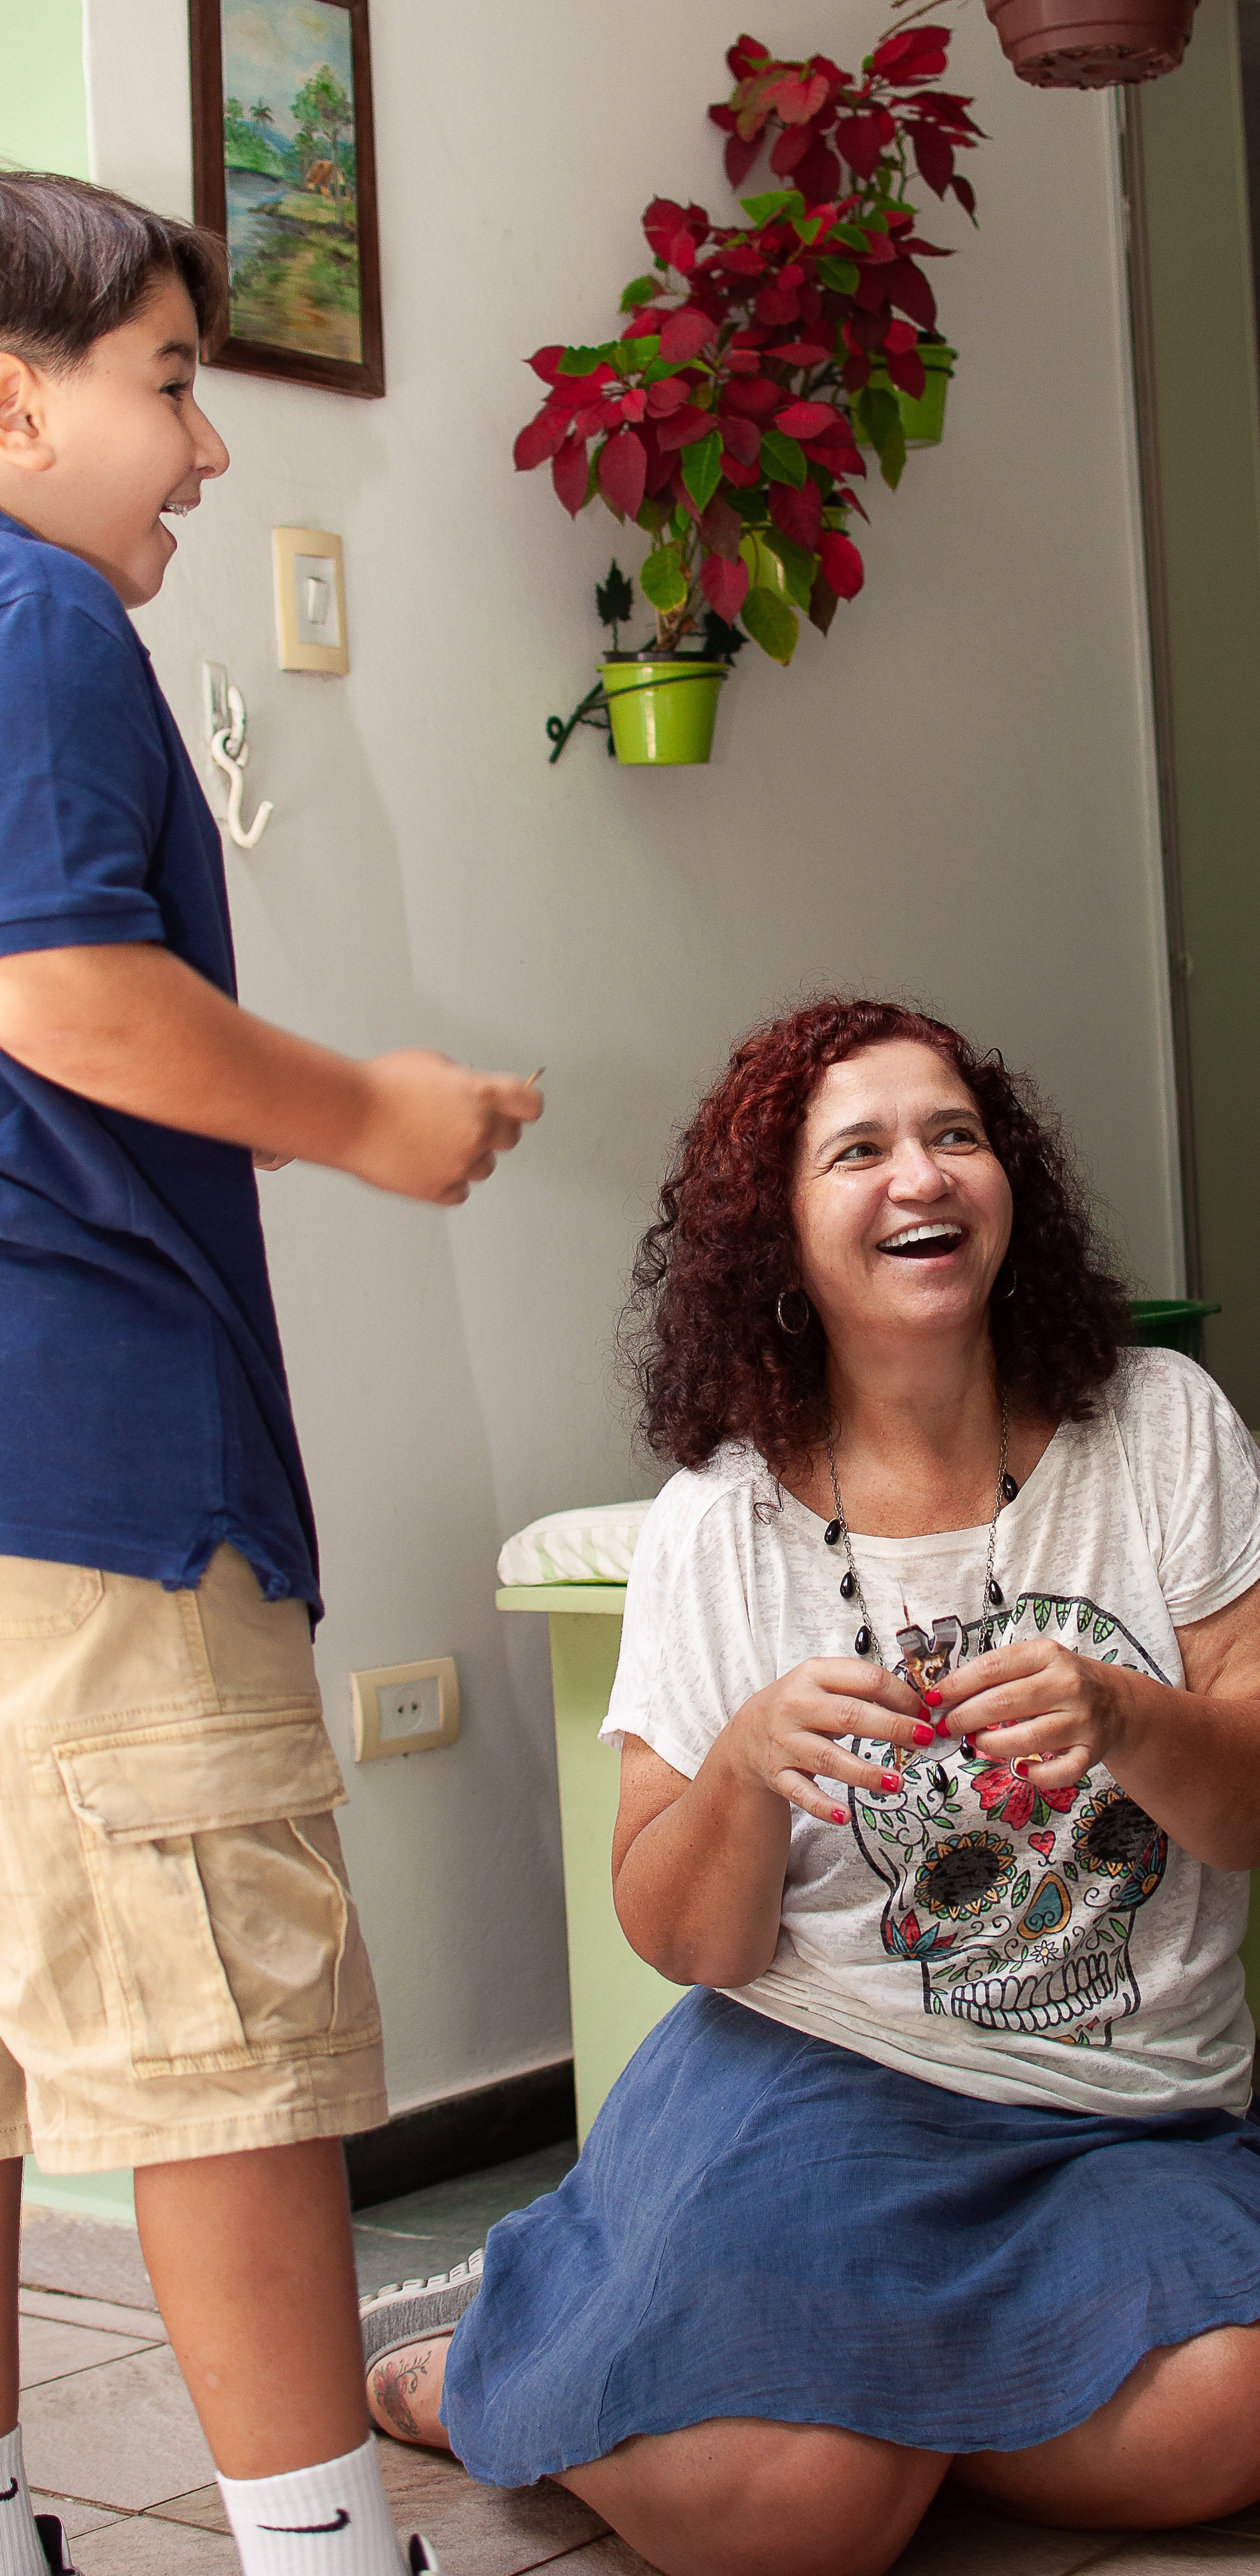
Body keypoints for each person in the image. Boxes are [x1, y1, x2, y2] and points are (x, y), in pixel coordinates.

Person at [359, 995, 1260, 2576]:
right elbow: (687, 1940)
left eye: (954, 1135)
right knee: (792, 2529)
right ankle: (537, 2343)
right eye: (858, 1150)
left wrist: (1128, 1715)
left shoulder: (1160, 1426)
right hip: (817, 2085)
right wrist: (744, 1772)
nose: (920, 1174)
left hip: (1122, 2116)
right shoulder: (720, 1521)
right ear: (776, 1237)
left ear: (1008, 1188)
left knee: (1236, 2414)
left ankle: (824, 2410)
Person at [0, 172, 541, 2576]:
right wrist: (378, 1116)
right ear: (12, 396)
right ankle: (328, 2554)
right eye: (174, 381)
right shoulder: (24, 604)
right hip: (100, 1463)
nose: (207, 455)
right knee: (226, 2049)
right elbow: (65, 992)